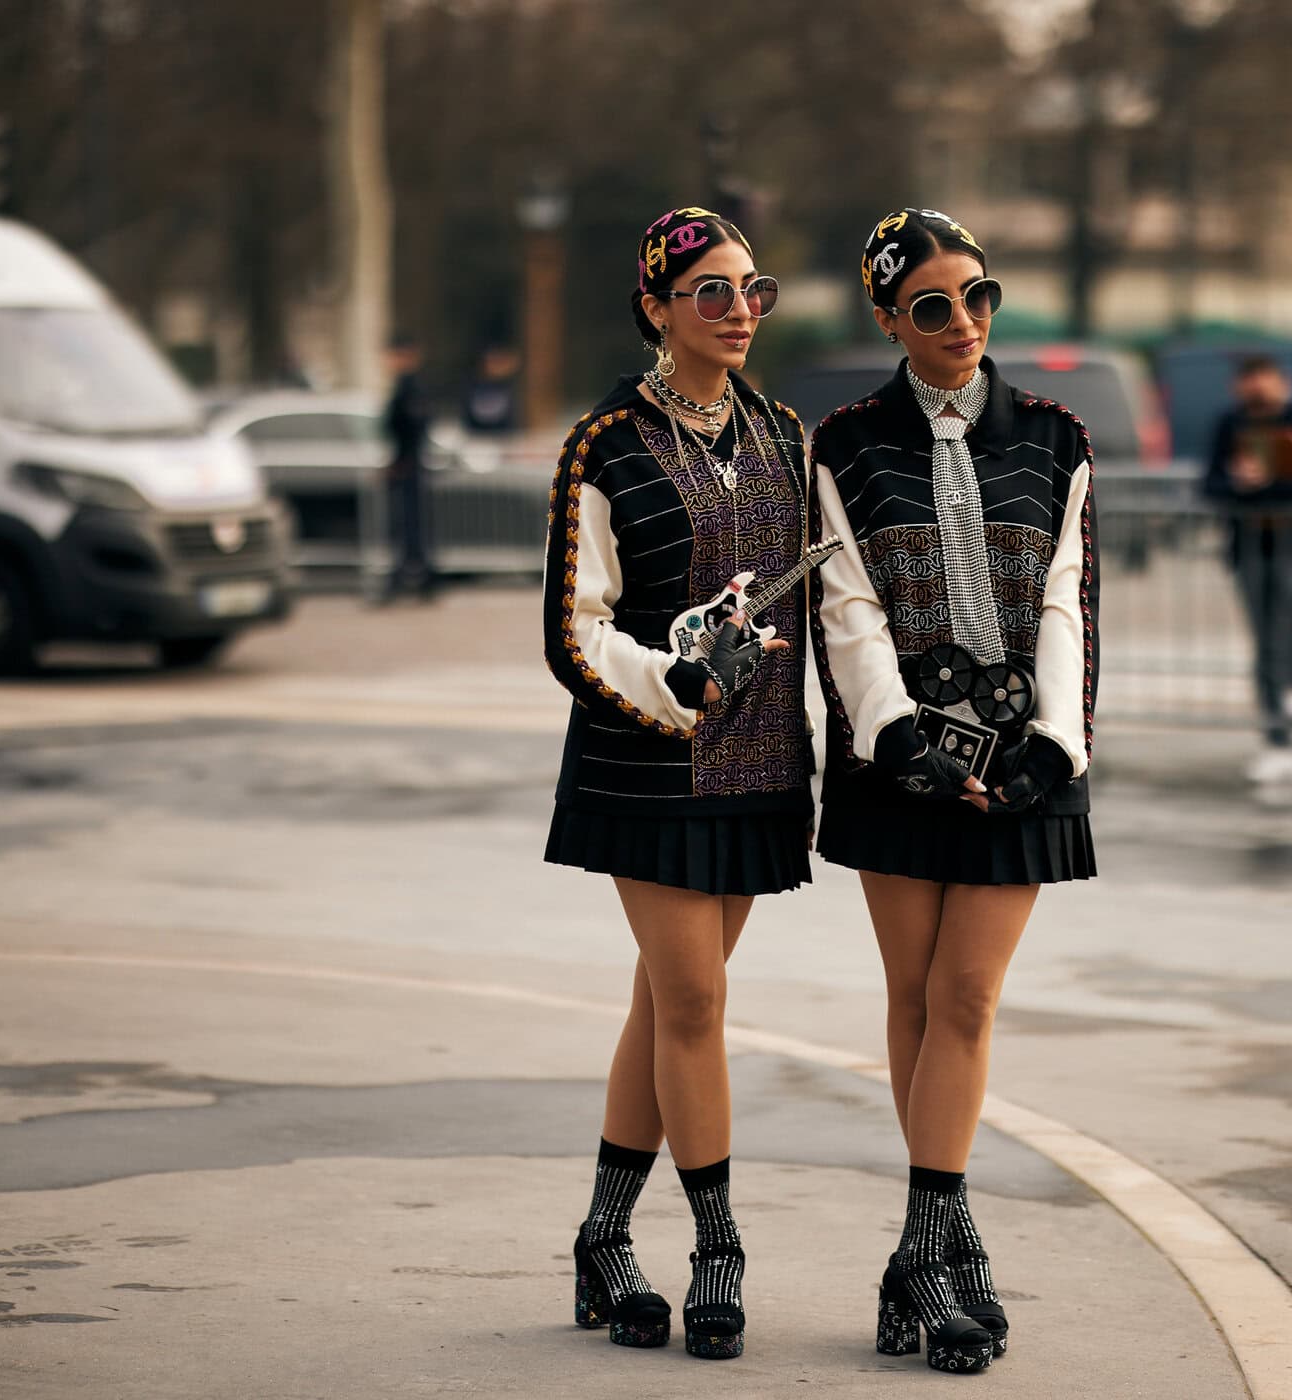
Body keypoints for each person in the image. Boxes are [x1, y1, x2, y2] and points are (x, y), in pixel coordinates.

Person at [808, 208, 1096, 1375]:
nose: (965, 323)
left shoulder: (1059, 435)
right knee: (916, 995)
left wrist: (1055, 746)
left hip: (1027, 757)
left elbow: (1069, 597)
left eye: (980, 297)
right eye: (934, 306)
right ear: (890, 317)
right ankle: (941, 1250)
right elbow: (847, 609)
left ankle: (920, 1248)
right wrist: (897, 739)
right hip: (900, 759)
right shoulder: (845, 442)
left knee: (968, 998)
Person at [542, 206, 810, 1364]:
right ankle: (717, 1246)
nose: (740, 310)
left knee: (665, 1002)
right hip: (640, 761)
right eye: (712, 291)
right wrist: (672, 677)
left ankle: (602, 1236)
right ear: (657, 307)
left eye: (754, 290)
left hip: (759, 765)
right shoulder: (600, 443)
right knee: (694, 1002)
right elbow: (572, 627)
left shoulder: (788, 433)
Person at [1200, 354, 1292, 785]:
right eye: (1249, 382)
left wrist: (1267, 482)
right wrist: (1238, 484)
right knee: (1266, 643)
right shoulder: (1230, 424)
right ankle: (1278, 738)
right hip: (1249, 550)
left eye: (1265, 381)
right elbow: (1210, 483)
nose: (1257, 391)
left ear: (1282, 383)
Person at [380, 333, 436, 602]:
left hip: (410, 464)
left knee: (409, 525)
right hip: (407, 462)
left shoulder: (412, 387)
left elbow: (413, 428)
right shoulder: (405, 385)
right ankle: (422, 579)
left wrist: (402, 461)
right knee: (408, 526)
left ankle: (412, 578)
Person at [461, 345, 522, 436]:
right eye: (493, 361)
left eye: (501, 362)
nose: (496, 366)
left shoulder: (517, 388)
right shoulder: (472, 386)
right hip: (476, 438)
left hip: (505, 438)